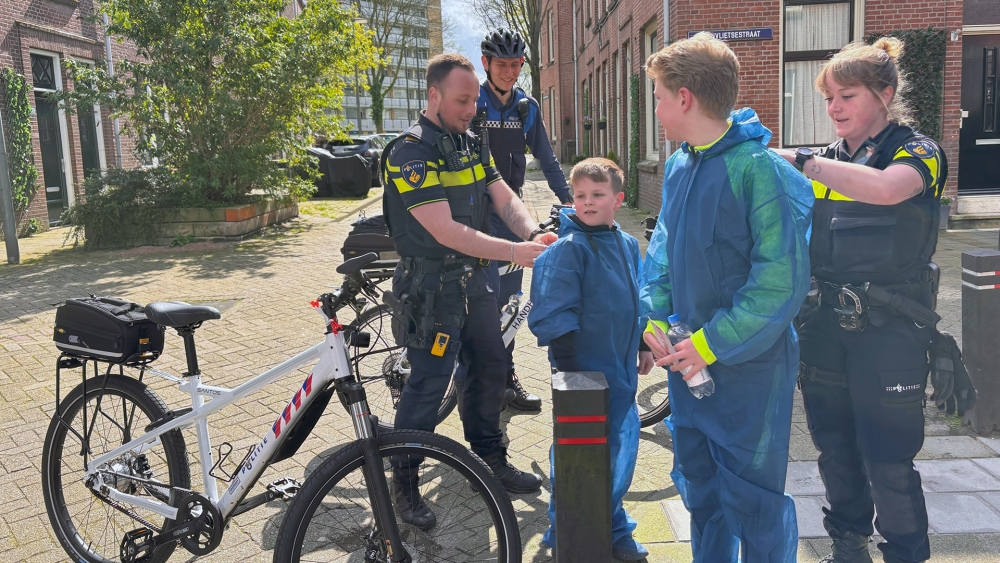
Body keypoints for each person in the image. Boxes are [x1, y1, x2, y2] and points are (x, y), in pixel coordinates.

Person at [775, 38, 952, 563]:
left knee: (889, 459)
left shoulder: (919, 151)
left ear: (885, 93)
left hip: (890, 330)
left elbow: (886, 190)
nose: (833, 108)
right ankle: (847, 545)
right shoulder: (829, 159)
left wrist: (799, 161)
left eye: (845, 95)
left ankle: (905, 553)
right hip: (825, 325)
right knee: (835, 448)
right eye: (828, 98)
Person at [640, 33, 814, 563]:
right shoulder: (679, 166)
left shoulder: (757, 170)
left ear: (686, 98)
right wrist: (650, 318)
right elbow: (665, 256)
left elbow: (779, 282)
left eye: (660, 98)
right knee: (702, 490)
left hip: (748, 372)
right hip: (689, 362)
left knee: (753, 502)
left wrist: (710, 344)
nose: (658, 110)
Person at [380, 53, 552, 530]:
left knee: (490, 367)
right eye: (462, 99)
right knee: (428, 385)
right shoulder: (408, 152)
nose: (472, 107)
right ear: (433, 95)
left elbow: (505, 197)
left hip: (475, 282)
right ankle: (405, 484)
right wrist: (515, 253)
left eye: (475, 98)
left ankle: (490, 459)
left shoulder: (472, 142)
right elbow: (445, 231)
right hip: (432, 289)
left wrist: (532, 233)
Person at [527, 158, 654, 561]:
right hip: (584, 372)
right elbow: (554, 309)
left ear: (618, 199)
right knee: (578, 451)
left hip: (619, 371)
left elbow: (637, 298)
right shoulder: (569, 250)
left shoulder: (627, 244)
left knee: (618, 446)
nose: (587, 202)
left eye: (597, 195)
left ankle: (611, 522)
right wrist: (569, 371)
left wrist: (643, 343)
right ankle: (567, 526)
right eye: (579, 195)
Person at [473, 28, 574, 411]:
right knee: (475, 303)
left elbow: (547, 160)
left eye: (516, 64)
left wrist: (570, 201)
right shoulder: (473, 102)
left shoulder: (525, 108)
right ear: (486, 63)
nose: (510, 72)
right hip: (474, 219)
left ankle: (504, 380)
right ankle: (475, 382)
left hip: (510, 222)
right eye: (502, 64)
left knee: (510, 304)